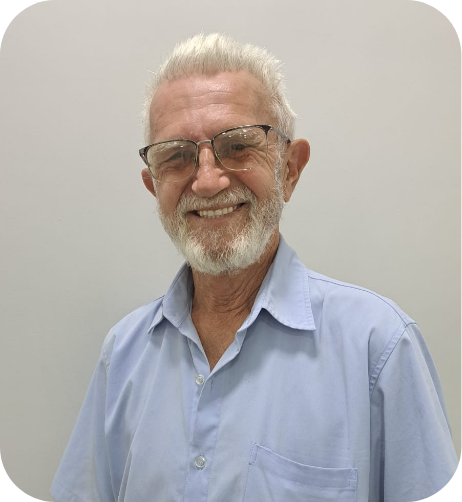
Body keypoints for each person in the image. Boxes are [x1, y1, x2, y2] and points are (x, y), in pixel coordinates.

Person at [51, 33, 458, 502]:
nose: (207, 181)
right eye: (177, 156)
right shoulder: (122, 353)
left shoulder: (379, 348)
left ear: (290, 169)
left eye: (239, 146)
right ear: (154, 185)